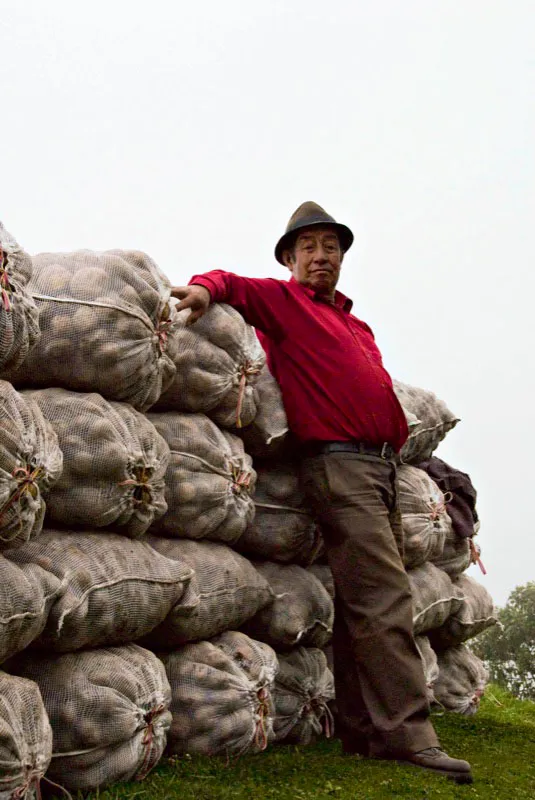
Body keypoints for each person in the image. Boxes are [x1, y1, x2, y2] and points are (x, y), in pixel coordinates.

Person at [171, 201, 473, 784]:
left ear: (341, 257)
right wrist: (205, 291)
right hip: (339, 466)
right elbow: (229, 282)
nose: (320, 255)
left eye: (330, 246)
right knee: (386, 598)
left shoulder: (357, 325)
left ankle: (362, 729)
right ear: (289, 258)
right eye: (307, 247)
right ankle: (409, 734)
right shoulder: (285, 304)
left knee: (365, 602)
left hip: (381, 469)